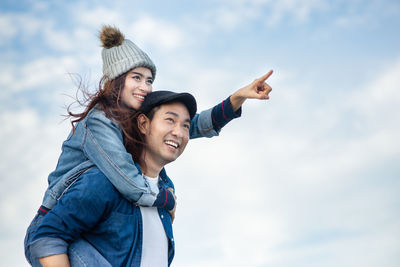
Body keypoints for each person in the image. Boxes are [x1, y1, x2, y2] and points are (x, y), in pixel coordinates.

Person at [24, 25, 273, 265]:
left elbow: (191, 126)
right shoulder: (99, 123)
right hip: (50, 222)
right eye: (136, 78)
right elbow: (127, 179)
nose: (145, 87)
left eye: (149, 80)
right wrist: (167, 200)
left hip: (82, 223)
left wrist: (237, 98)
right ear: (115, 80)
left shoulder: (132, 122)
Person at [28, 91, 199, 266]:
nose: (178, 132)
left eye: (185, 126)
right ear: (143, 124)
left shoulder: (165, 199)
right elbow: (46, 238)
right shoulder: (105, 181)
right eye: (170, 120)